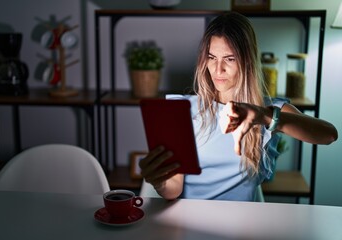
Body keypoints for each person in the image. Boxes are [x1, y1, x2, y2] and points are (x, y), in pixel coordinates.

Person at [139, 12, 338, 201]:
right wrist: (158, 181)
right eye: (211, 57)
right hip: (190, 222)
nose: (218, 69)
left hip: (243, 225)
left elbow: (328, 134)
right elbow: (173, 188)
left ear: (247, 61)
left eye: (229, 59)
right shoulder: (182, 110)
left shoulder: (268, 109)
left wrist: (264, 116)